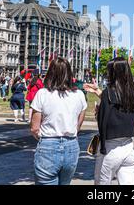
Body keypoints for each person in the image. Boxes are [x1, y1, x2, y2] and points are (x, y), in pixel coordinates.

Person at [84, 57, 134, 185]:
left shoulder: (110, 93)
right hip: (128, 148)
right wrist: (98, 91)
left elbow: (104, 122)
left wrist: (98, 113)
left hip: (110, 149)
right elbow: (118, 101)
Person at [30, 57, 87, 185]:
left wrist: (43, 139)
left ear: (50, 73)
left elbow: (34, 127)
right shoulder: (79, 95)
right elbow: (79, 122)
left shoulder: (42, 94)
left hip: (48, 143)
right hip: (71, 145)